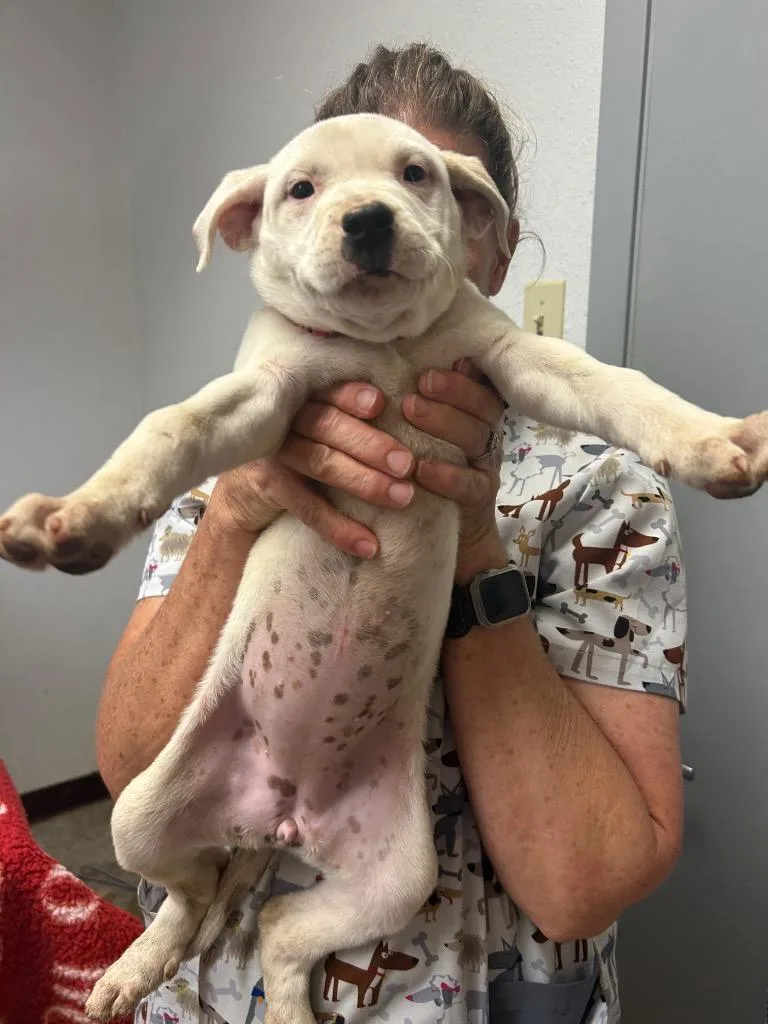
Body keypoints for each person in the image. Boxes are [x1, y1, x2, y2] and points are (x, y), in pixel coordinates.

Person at [97, 44, 687, 1024]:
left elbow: (584, 879)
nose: (375, 220)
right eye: (322, 192)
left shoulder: (602, 491)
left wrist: (469, 540)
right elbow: (131, 768)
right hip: (224, 995)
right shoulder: (231, 453)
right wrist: (240, 508)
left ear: (489, 241)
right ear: (276, 234)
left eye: (420, 183)